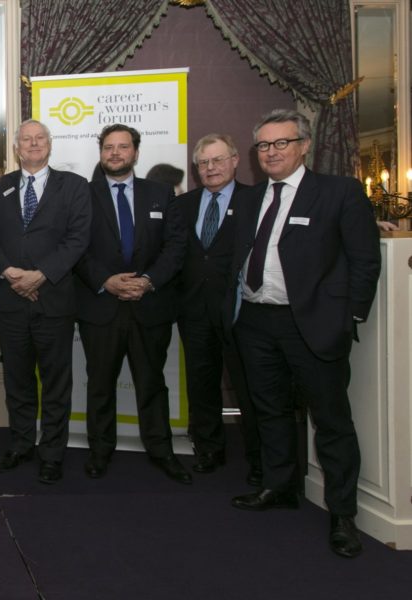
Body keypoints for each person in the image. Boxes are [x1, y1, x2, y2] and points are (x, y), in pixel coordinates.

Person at [226, 109, 381, 559]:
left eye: (282, 143)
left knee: (331, 421)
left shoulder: (339, 192)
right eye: (264, 145)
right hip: (256, 321)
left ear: (304, 145)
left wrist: (350, 316)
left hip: (311, 324)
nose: (271, 152)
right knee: (269, 410)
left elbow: (364, 259)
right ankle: (279, 487)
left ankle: (342, 514)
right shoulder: (251, 199)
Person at [74, 123, 190, 484]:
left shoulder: (161, 193)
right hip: (101, 307)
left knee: (152, 382)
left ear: (135, 153)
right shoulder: (83, 194)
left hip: (149, 305)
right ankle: (99, 451)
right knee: (99, 384)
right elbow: (75, 246)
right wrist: (105, 281)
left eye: (122, 147)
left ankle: (161, 450)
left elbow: (176, 246)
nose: (115, 153)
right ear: (101, 153)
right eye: (108, 147)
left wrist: (148, 281)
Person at [0, 119, 92, 484]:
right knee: (17, 380)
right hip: (12, 302)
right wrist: (10, 273)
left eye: (39, 138)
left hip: (53, 300)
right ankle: (21, 444)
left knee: (56, 383)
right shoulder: (0, 187)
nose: (33, 144)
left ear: (49, 144)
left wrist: (41, 274)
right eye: (26, 139)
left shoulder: (74, 186)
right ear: (16, 148)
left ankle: (52, 454)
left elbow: (78, 238)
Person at [175, 133, 261, 484]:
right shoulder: (183, 205)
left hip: (242, 311)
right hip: (194, 309)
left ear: (235, 160)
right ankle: (210, 449)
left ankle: (259, 459)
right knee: (201, 383)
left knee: (250, 386)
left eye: (218, 160)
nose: (211, 168)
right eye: (203, 163)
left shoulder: (256, 200)